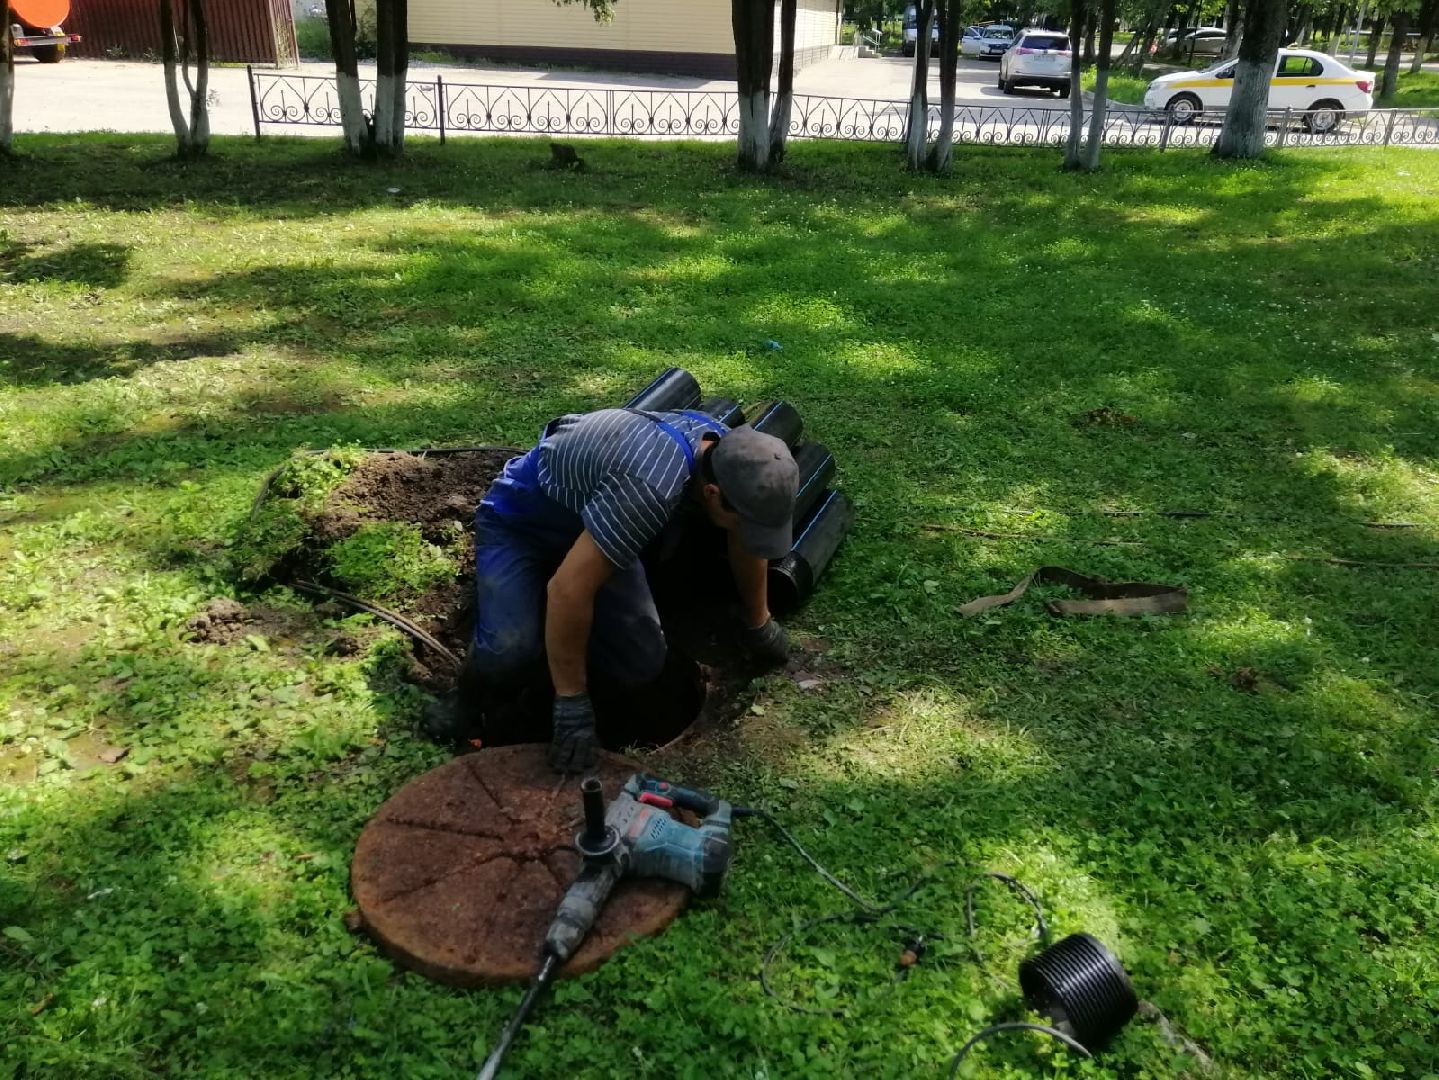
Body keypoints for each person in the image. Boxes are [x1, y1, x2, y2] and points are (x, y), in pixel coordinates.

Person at [423, 406, 799, 771]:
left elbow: (745, 538)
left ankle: (569, 656)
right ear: (713, 493)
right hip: (520, 522)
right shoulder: (648, 489)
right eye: (743, 523)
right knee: (510, 647)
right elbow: (567, 592)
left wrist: (759, 622)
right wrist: (571, 703)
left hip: (597, 524)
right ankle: (467, 699)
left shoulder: (731, 455)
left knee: (641, 661)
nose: (747, 533)